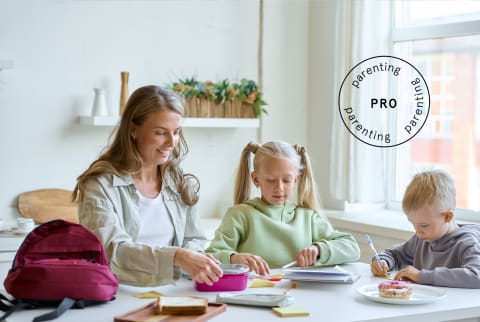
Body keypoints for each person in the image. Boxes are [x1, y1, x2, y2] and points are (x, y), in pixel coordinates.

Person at [72, 85, 222, 287]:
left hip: (175, 291)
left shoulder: (179, 182)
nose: (171, 142)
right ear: (133, 130)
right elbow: (112, 250)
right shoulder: (99, 185)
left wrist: (193, 258)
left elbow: (194, 238)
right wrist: (177, 257)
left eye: (176, 132)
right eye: (161, 132)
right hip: (118, 293)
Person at [206, 141, 360, 275]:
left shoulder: (307, 217)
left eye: (286, 180)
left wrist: (319, 249)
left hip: (299, 294)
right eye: (271, 180)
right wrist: (234, 258)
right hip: (254, 293)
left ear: (296, 180)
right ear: (255, 179)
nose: (279, 188)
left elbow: (352, 247)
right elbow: (211, 255)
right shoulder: (240, 215)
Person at [370, 169, 480, 288]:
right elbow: (395, 255)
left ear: (448, 217)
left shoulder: (467, 243)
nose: (417, 231)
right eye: (413, 224)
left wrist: (422, 276)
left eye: (424, 225)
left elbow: (476, 275)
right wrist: (383, 261)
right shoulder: (421, 239)